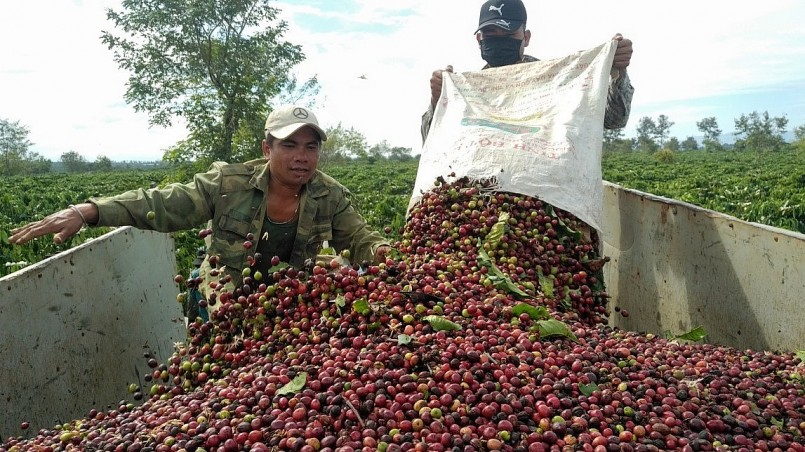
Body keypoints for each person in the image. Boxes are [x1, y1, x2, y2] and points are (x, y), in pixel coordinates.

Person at [9, 105, 391, 298]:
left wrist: (389, 255)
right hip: (222, 303)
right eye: (289, 145)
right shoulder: (229, 183)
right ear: (266, 148)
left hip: (285, 308)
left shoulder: (328, 193)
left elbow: (359, 240)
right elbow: (165, 203)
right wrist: (91, 210)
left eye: (311, 147)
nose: (301, 157)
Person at [421, 0, 635, 142]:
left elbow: (614, 120)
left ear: (526, 38)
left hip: (538, 198)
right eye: (490, 33)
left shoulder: (555, 81)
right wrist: (437, 101)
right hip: (484, 201)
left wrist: (617, 72)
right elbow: (431, 142)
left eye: (507, 32)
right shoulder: (466, 92)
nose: (498, 38)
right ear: (479, 39)